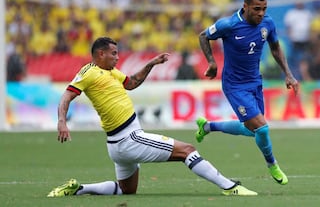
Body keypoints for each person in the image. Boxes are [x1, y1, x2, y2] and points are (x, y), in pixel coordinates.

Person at [47, 37, 257, 197]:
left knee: (125, 190)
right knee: (188, 151)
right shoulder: (88, 72)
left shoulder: (111, 71)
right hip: (129, 139)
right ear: (100, 54)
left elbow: (131, 83)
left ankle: (79, 189)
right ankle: (230, 187)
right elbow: (66, 96)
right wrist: (62, 121)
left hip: (117, 145)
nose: (117, 57)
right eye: (113, 53)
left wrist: (151, 64)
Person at [195, 0, 299, 185]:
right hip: (234, 85)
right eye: (257, 9)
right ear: (245, 6)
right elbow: (203, 36)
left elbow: (275, 47)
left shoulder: (267, 23)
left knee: (253, 131)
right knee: (262, 128)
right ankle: (273, 165)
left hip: (255, 82)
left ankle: (207, 126)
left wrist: (289, 74)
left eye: (264, 9)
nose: (261, 13)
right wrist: (211, 62)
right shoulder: (229, 24)